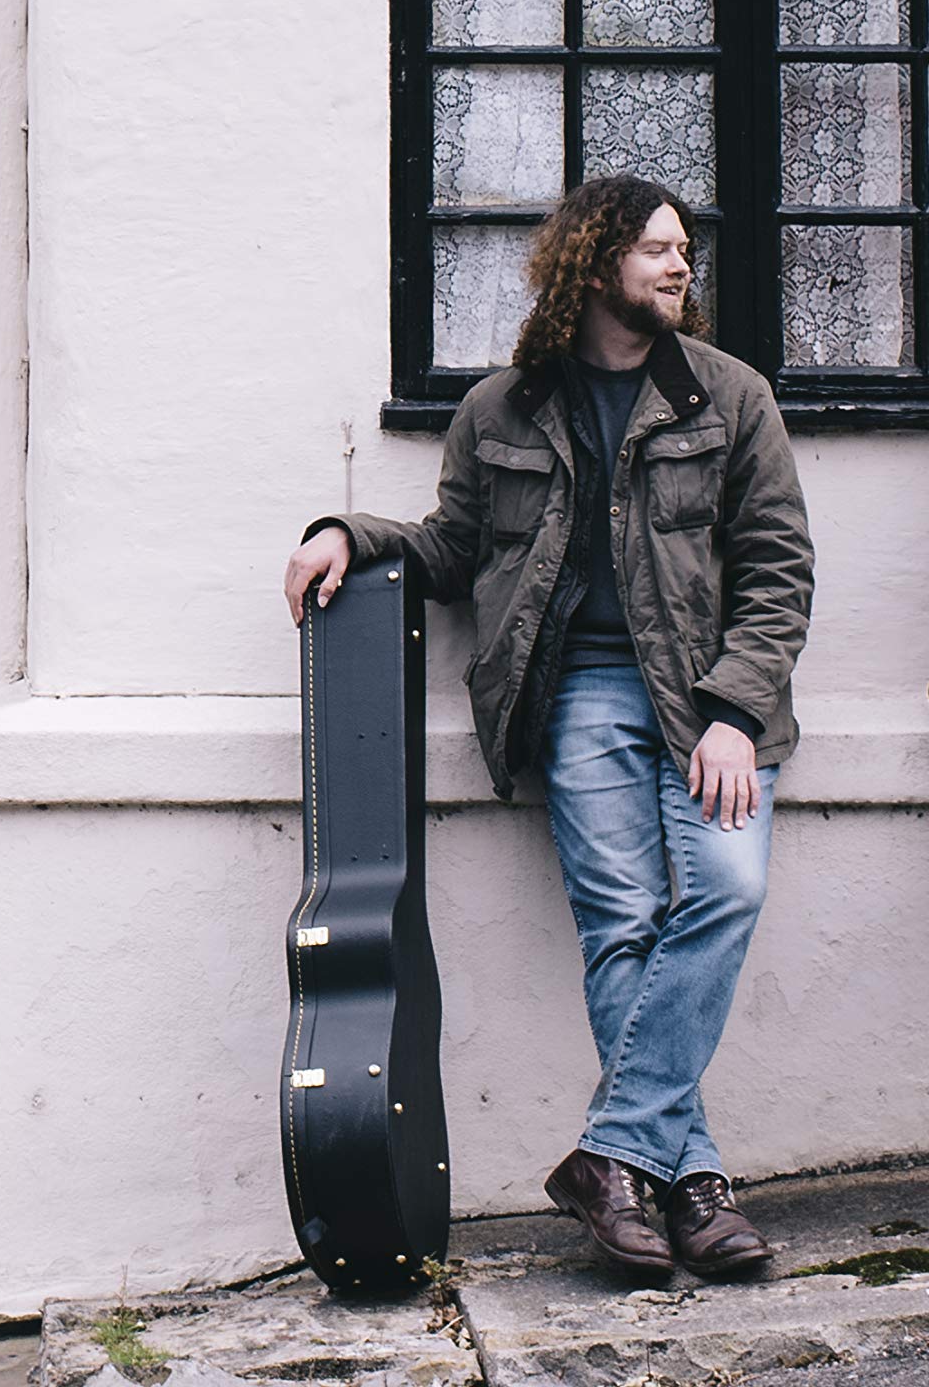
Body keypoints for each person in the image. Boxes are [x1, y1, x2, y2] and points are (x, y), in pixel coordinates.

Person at [284, 175, 813, 1283]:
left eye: (684, 251)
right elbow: (453, 546)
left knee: (726, 886)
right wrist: (346, 531)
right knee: (620, 922)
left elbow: (777, 574)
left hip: (703, 703)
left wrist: (730, 712)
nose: (681, 267)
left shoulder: (729, 397)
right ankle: (692, 1181)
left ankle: (613, 1154)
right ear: (595, 264)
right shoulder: (501, 410)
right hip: (575, 695)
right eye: (660, 249)